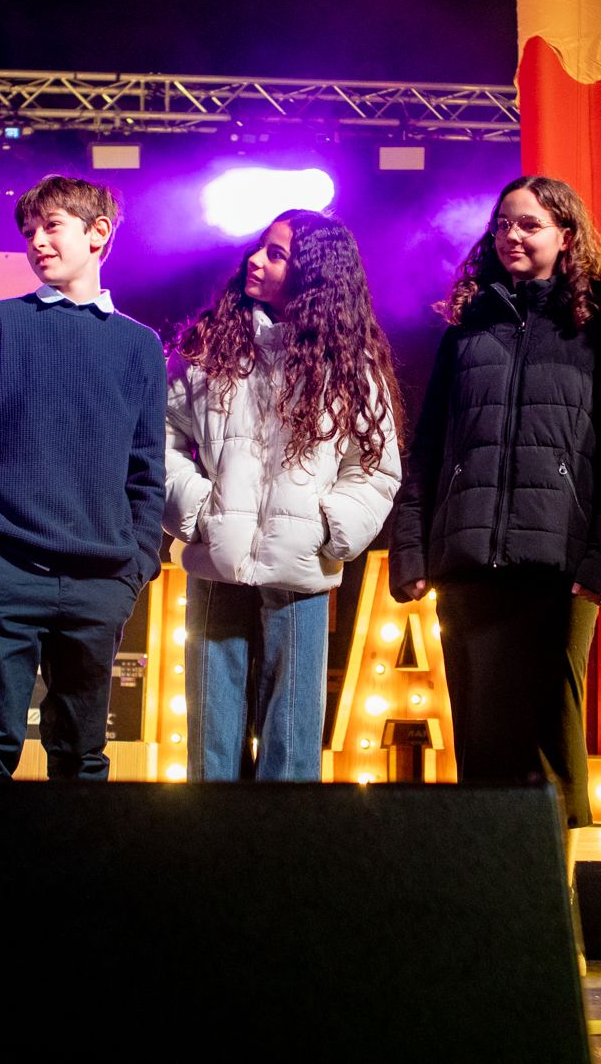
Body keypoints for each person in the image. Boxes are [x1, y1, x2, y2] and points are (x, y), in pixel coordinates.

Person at [388, 175, 601, 827]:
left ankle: (558, 909)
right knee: (480, 741)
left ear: (566, 235)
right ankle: (489, 902)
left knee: (551, 737)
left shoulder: (600, 327)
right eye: (503, 223)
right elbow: (429, 447)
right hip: (468, 559)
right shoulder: (466, 327)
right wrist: (413, 547)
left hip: (557, 562)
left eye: (529, 224)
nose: (511, 235)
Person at [0, 176, 165, 780]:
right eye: (29, 231)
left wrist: (136, 564)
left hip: (101, 583)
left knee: (83, 761)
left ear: (98, 233)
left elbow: (147, 470)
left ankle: (73, 879)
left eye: (51, 225)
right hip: (6, 571)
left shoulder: (140, 346)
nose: (36, 242)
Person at [164, 210, 402, 780]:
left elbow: (376, 468)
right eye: (259, 248)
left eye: (276, 254)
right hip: (217, 563)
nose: (255, 260)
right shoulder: (210, 346)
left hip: (300, 573)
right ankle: (211, 860)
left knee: (292, 753)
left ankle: (288, 863)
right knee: (210, 752)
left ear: (315, 275)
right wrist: (197, 511)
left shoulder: (351, 365)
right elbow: (156, 440)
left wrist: (325, 528)